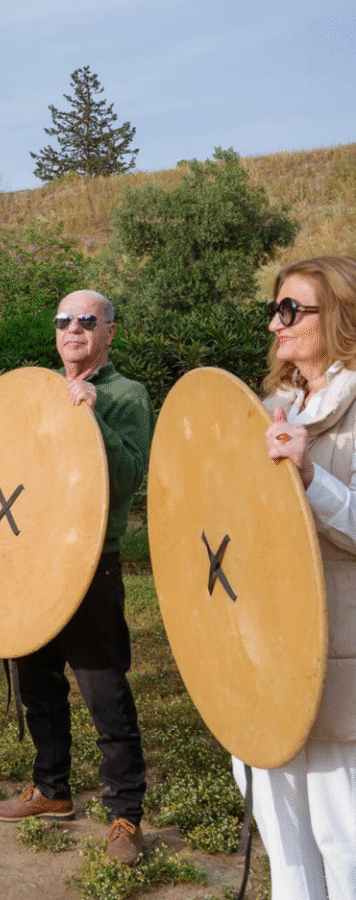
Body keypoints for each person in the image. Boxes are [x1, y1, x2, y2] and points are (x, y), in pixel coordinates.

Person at [0, 290, 154, 865]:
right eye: (63, 320)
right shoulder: (40, 388)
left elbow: (126, 481)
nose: (73, 328)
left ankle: (125, 814)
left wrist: (92, 413)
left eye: (86, 320)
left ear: (109, 332)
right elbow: (4, 462)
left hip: (91, 560)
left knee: (104, 690)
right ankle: (51, 789)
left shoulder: (125, 395)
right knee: (38, 681)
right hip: (33, 558)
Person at [245, 255, 356, 900]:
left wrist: (312, 478)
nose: (275, 323)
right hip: (268, 646)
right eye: (275, 309)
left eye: (291, 309)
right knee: (282, 834)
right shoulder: (268, 409)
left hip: (341, 653)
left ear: (337, 315)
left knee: (345, 839)